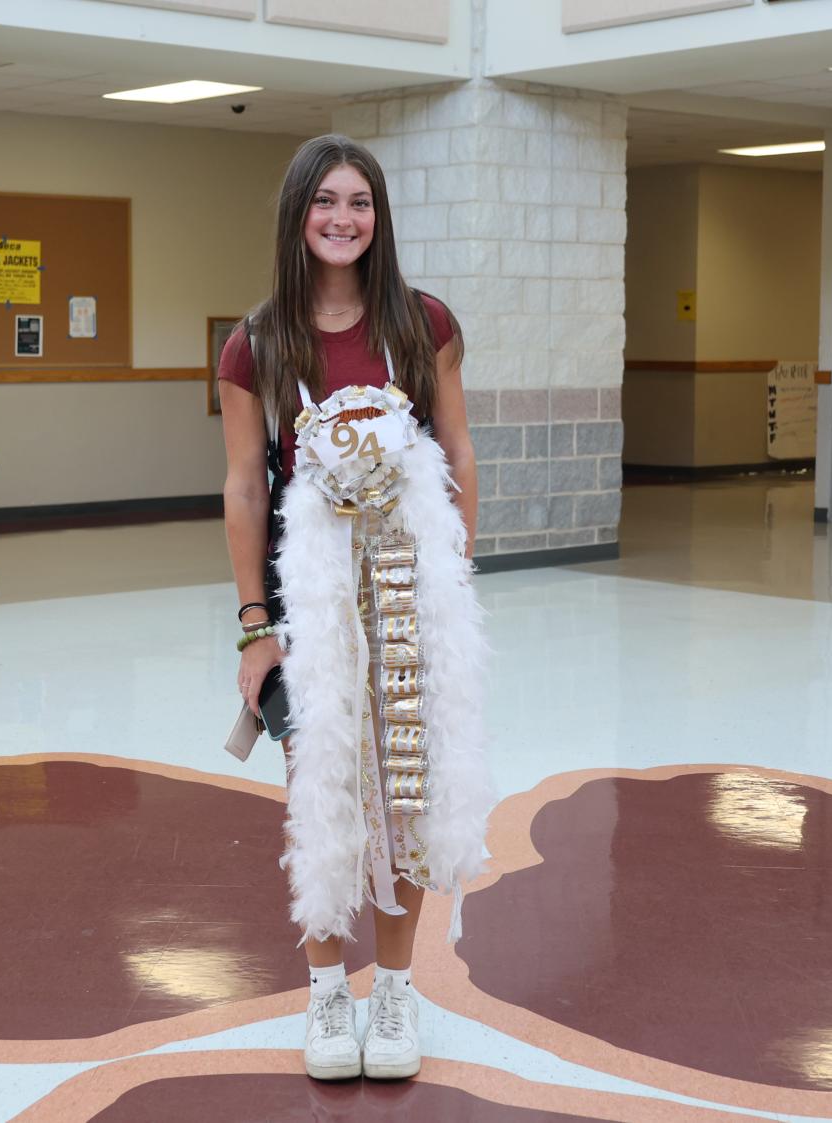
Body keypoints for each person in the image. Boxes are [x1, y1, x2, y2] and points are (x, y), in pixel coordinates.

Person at [218, 134, 493, 1082]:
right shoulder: (256, 344)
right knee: (326, 788)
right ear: (298, 215)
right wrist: (256, 627)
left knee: (406, 793)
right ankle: (327, 993)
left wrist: (452, 569)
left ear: (379, 218)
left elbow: (456, 451)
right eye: (325, 202)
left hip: (411, 592)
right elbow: (245, 489)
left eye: (360, 203)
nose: (343, 219)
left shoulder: (421, 323)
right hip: (315, 603)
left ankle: (396, 992)